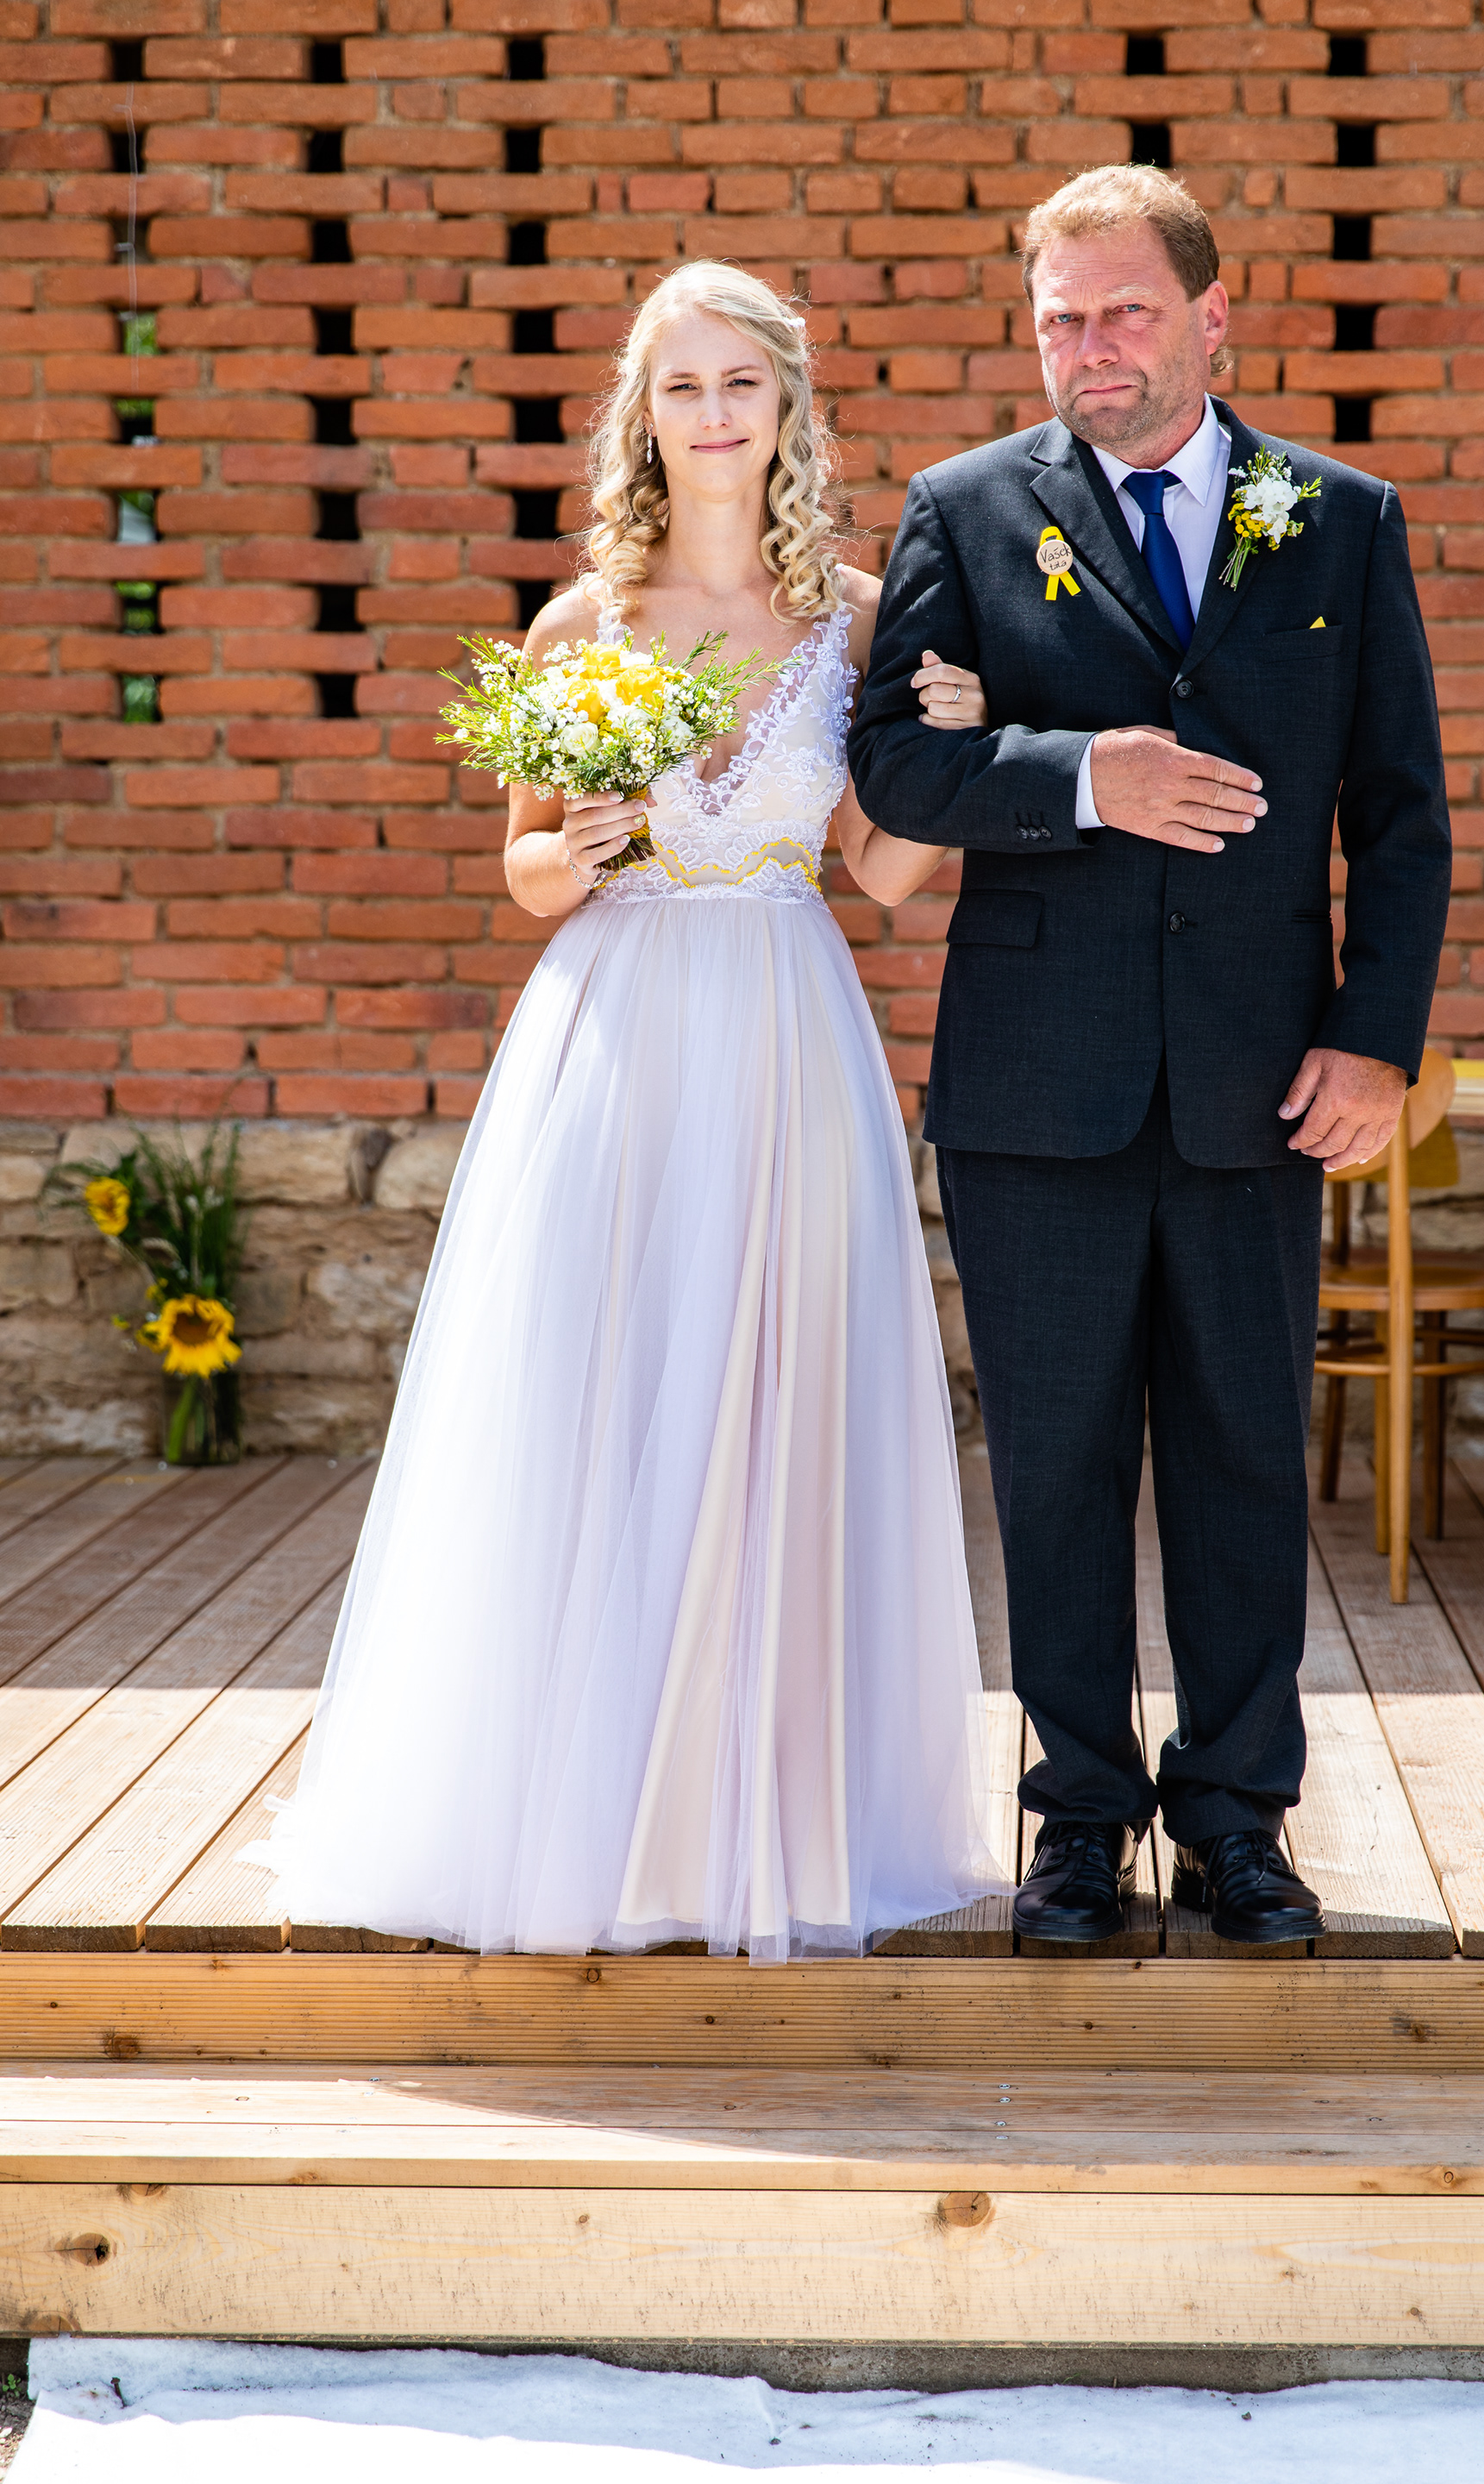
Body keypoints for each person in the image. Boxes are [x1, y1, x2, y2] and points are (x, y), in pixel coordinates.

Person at [259, 261, 1006, 1960]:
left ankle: (754, 1822)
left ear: (787, 407)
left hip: (788, 1031)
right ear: (643, 417)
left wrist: (956, 750)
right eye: (684, 386)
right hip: (613, 1037)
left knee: (774, 1403)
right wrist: (576, 849)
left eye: (743, 383)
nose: (715, 414)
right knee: (604, 1395)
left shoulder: (862, 618)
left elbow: (888, 875)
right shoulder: (580, 625)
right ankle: (587, 1816)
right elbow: (524, 871)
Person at [848, 165, 1453, 1947]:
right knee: (1052, 1467)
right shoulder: (966, 511)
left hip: (1264, 1082)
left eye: (1124, 311)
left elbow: (1400, 814)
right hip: (1037, 1084)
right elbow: (892, 770)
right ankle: (1080, 1822)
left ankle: (1239, 1821)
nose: (1091, 347)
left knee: (1248, 1458)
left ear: (1210, 317)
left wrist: (1374, 1040)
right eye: (1062, 319)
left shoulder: (1338, 519)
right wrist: (1078, 776)